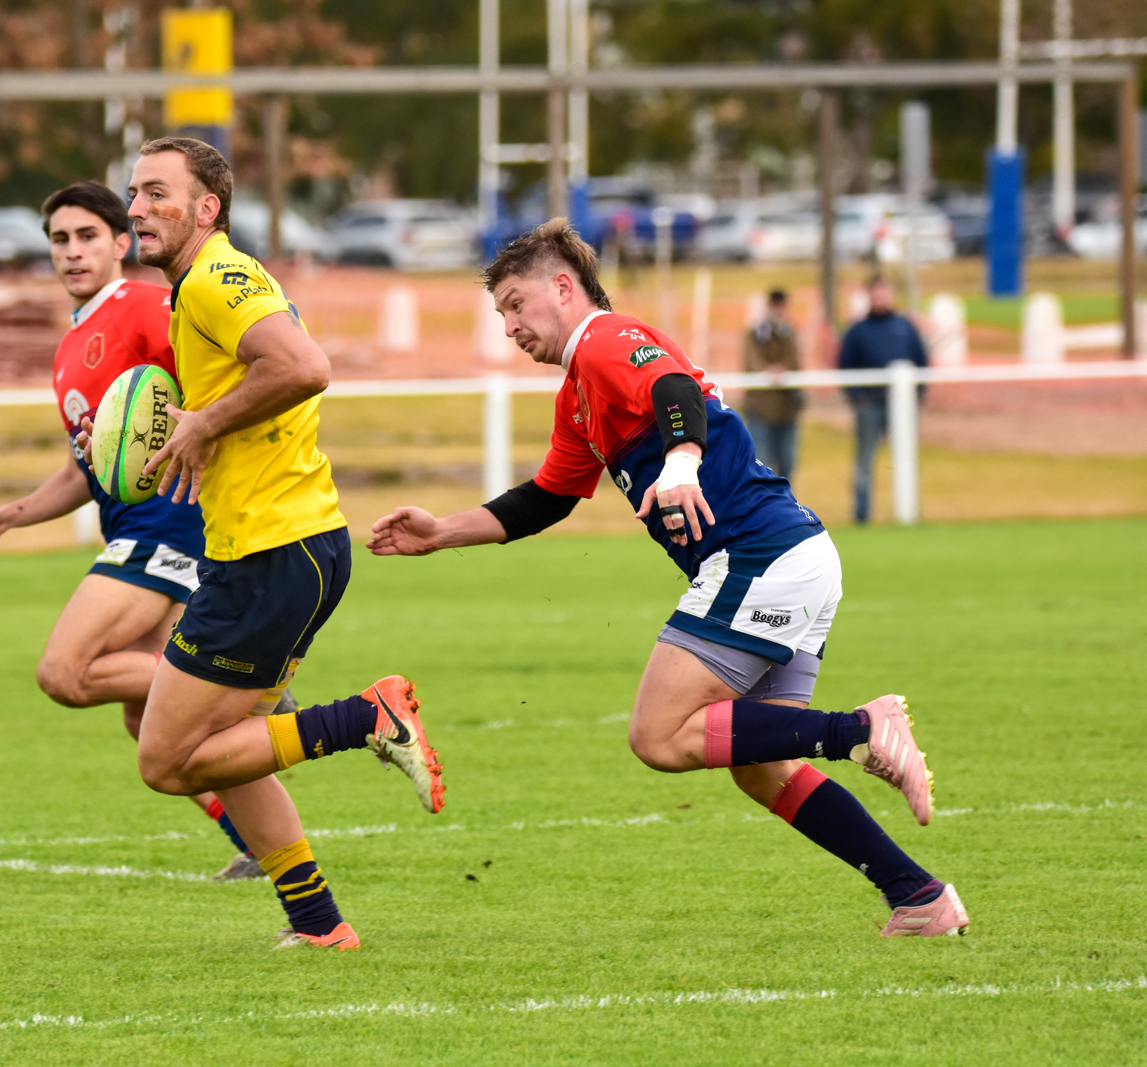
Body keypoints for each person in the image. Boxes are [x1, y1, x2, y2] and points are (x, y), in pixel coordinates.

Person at [368, 219, 968, 938]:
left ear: (563, 287)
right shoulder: (578, 393)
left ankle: (864, 728)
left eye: (516, 304)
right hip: (792, 556)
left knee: (657, 735)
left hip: (758, 554)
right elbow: (547, 498)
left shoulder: (605, 338)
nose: (509, 326)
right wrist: (442, 533)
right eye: (500, 313)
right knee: (763, 767)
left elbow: (673, 385)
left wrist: (681, 459)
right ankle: (919, 896)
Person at [86, 137, 445, 952]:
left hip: (271, 552)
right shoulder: (195, 291)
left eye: (155, 193)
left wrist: (204, 422)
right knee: (228, 752)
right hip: (280, 548)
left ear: (206, 208)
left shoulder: (218, 275)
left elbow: (305, 365)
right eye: (132, 193)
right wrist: (208, 425)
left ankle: (366, 717)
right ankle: (320, 923)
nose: (135, 207)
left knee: (168, 759)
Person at [0, 181, 269, 881]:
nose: (72, 251)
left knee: (64, 672)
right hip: (138, 526)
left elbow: (223, 378)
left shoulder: (146, 305)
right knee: (145, 725)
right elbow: (86, 467)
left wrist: (202, 427)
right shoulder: (72, 343)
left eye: (87, 236)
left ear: (121, 242)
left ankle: (228, 688)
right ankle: (259, 846)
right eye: (59, 240)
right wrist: (12, 515)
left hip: (171, 522)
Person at [838, 276, 928, 524]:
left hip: (902, 406)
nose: (880, 298)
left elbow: (921, 361)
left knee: (905, 456)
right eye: (875, 294)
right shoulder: (858, 330)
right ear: (869, 296)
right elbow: (845, 366)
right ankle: (862, 513)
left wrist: (915, 396)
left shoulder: (905, 326)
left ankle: (908, 511)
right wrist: (858, 398)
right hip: (870, 406)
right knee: (865, 460)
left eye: (883, 293)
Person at [741, 288, 802, 481]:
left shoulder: (790, 333)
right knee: (761, 465)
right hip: (760, 409)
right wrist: (769, 371)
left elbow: (795, 362)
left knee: (787, 465)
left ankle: (787, 509)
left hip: (787, 409)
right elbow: (751, 362)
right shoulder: (756, 332)